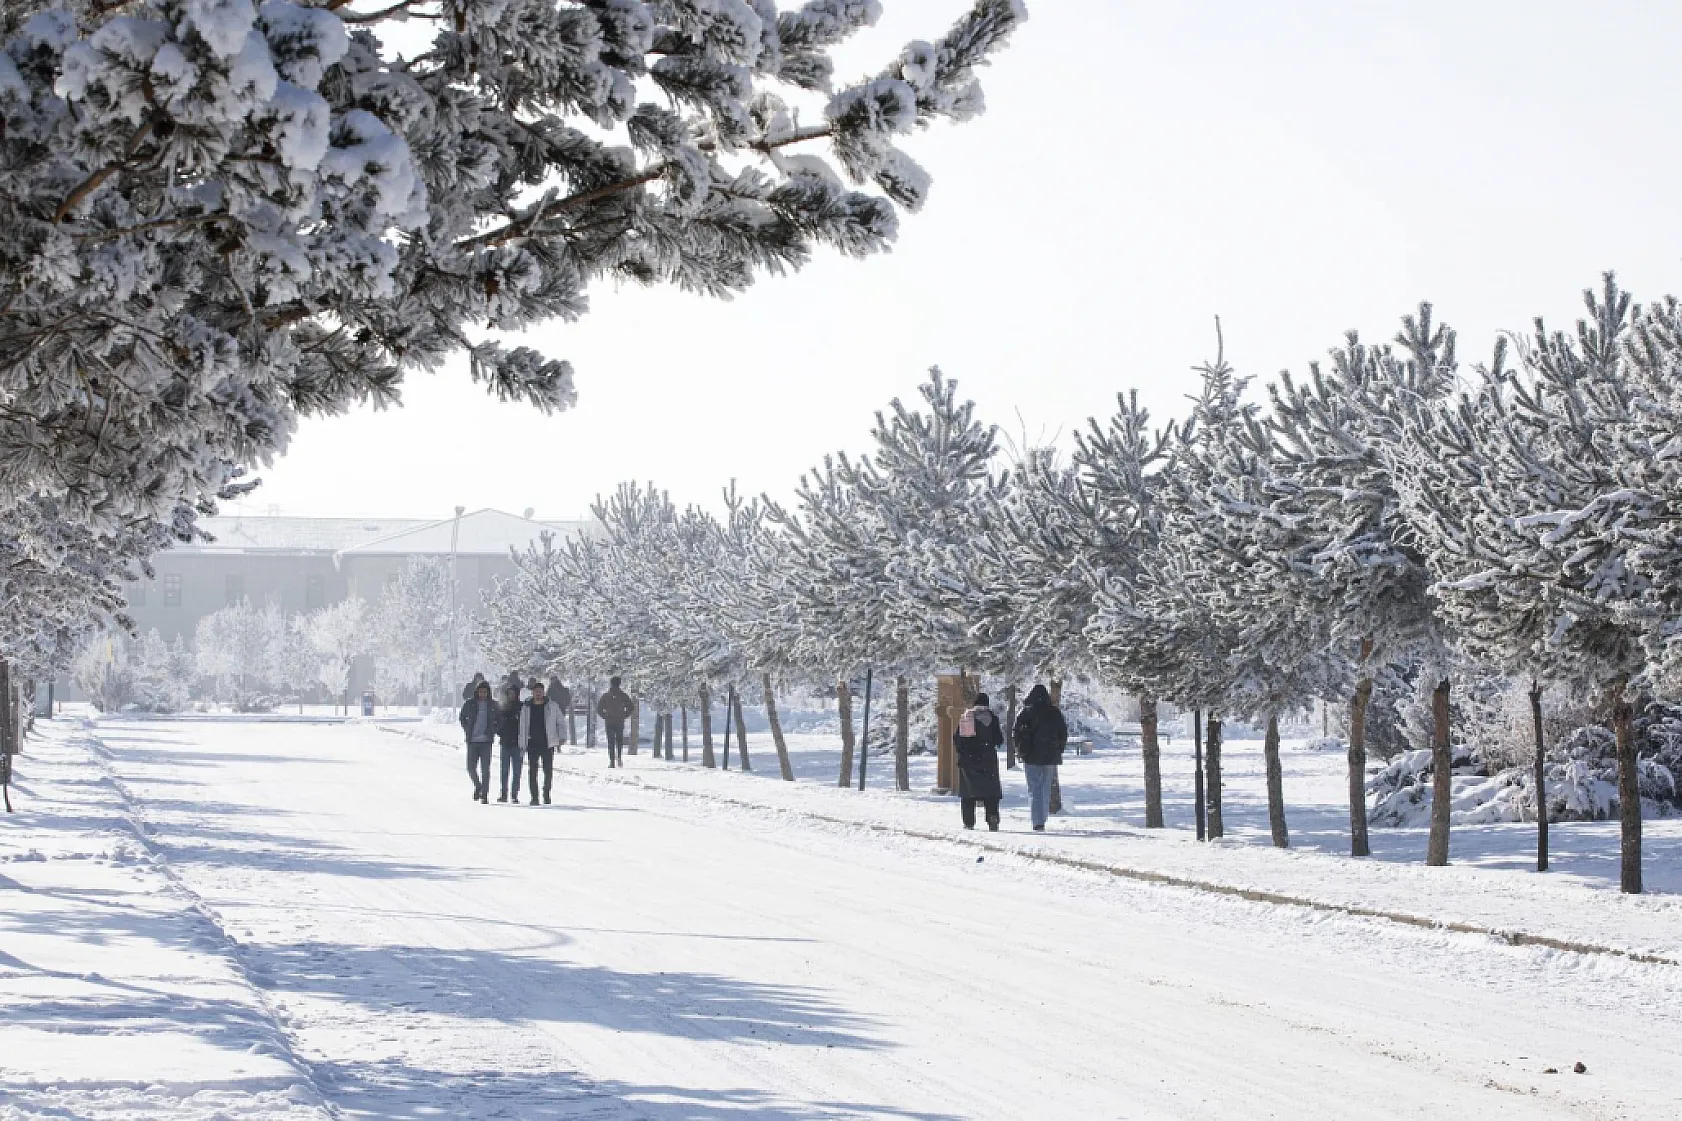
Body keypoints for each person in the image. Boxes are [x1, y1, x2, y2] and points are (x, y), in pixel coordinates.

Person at [1013, 683, 1067, 831]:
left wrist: (1020, 750)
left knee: (1034, 788)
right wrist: (1059, 749)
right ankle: (1042, 818)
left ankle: (1038, 821)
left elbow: (1016, 733)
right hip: (1050, 756)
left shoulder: (1026, 712)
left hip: (1030, 756)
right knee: (1045, 788)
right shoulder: (1054, 713)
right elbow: (1063, 733)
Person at [954, 692, 1004, 831]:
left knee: (968, 792)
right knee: (991, 792)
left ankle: (969, 821)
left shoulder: (967, 717)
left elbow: (957, 739)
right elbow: (999, 739)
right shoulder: (992, 718)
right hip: (988, 759)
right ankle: (992, 818)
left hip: (968, 760)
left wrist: (963, 752)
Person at [519, 679, 564, 804]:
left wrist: (562, 736)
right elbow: (522, 726)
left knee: (548, 771)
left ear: (544, 692)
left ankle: (546, 793)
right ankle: (534, 797)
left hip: (547, 743)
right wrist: (522, 742)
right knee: (532, 771)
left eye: (540, 691)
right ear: (532, 693)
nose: (538, 693)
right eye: (536, 691)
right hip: (532, 743)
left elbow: (560, 722)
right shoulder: (526, 707)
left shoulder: (552, 706)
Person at [458, 680, 496, 803]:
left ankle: (484, 794)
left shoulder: (493, 705)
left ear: (488, 693)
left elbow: (500, 719)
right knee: (470, 768)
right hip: (472, 741)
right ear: (477, 692)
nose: (482, 694)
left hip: (486, 742)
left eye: (485, 692)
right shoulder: (470, 704)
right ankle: (478, 785)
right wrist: (467, 728)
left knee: (485, 769)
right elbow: (462, 717)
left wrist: (493, 730)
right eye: (480, 692)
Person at [596, 676, 634, 767]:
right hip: (620, 721)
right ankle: (619, 757)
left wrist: (605, 716)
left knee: (611, 742)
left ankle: (612, 761)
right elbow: (631, 707)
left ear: (611, 683)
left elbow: (599, 709)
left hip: (609, 721)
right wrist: (624, 715)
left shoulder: (606, 696)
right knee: (619, 741)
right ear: (619, 684)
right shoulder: (623, 695)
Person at [496, 686, 523, 803]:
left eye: (513, 693)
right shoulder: (503, 707)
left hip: (518, 743)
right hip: (505, 742)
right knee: (504, 770)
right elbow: (497, 722)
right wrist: (500, 732)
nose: (511, 696)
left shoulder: (522, 708)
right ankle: (503, 793)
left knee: (517, 770)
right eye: (509, 693)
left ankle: (514, 794)